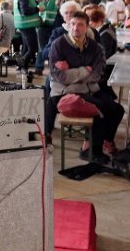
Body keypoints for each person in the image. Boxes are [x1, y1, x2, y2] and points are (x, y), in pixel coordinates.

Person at [44, 9, 123, 158]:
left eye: (80, 24)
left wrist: (72, 72)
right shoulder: (58, 45)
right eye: (73, 24)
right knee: (100, 108)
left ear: (87, 27)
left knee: (118, 109)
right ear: (68, 25)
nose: (76, 28)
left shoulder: (95, 47)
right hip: (63, 92)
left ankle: (107, 140)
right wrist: (83, 70)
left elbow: (97, 74)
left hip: (89, 90)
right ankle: (90, 150)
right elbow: (58, 76)